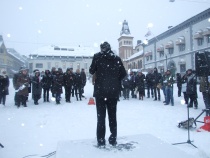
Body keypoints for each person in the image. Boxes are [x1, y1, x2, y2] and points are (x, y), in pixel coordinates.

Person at [89, 41, 126, 147]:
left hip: (100, 92)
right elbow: (123, 74)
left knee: (101, 118)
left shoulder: (97, 57)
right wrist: (114, 80)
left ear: (102, 49)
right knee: (112, 116)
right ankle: (113, 139)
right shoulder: (116, 58)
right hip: (113, 93)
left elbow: (91, 71)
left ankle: (101, 140)